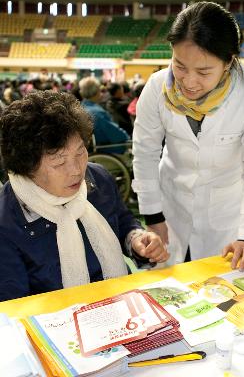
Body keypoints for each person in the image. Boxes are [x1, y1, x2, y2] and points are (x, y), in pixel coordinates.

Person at [132, 1, 244, 272]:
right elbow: (145, 154)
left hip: (229, 215)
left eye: (204, 72)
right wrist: (153, 215)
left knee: (226, 294)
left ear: (229, 61)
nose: (189, 82)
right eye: (180, 66)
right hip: (172, 207)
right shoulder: (157, 88)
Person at [0, 90, 169, 302]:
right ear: (27, 166)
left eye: (80, 151)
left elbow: (123, 221)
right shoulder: (8, 218)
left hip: (122, 304)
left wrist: (137, 239)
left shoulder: (98, 178)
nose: (76, 170)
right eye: (59, 162)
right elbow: (15, 307)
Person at [79, 76, 130, 154]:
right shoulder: (97, 113)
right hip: (106, 149)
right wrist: (127, 137)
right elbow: (117, 135)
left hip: (90, 149)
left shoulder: (82, 107)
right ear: (97, 92)